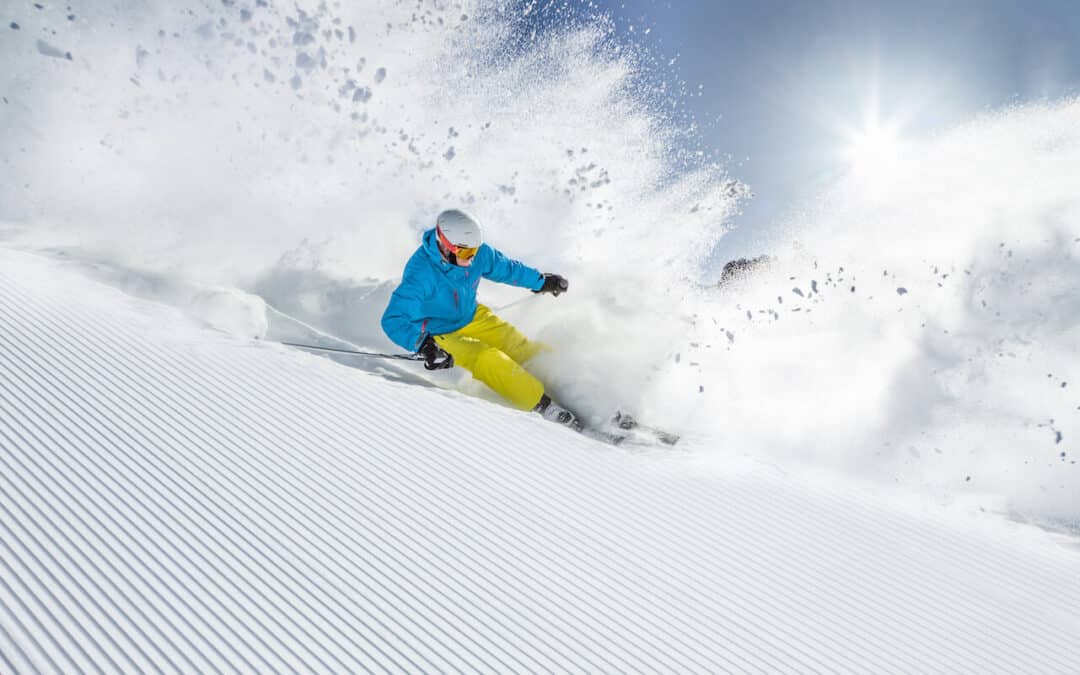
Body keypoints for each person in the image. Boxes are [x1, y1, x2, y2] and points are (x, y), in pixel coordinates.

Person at [381, 209, 580, 429]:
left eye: (475, 251)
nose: (473, 258)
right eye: (467, 254)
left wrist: (540, 281)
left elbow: (505, 268)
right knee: (486, 358)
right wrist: (423, 344)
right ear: (446, 246)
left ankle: (573, 388)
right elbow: (393, 319)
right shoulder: (421, 273)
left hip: (471, 315)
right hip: (440, 332)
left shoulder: (475, 253)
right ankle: (544, 406)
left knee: (516, 343)